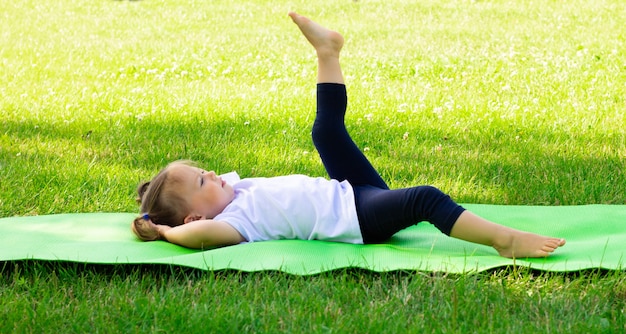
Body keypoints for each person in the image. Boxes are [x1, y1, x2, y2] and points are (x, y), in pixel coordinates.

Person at [131, 12, 566, 258]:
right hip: (359, 219)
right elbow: (196, 237)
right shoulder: (232, 223)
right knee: (426, 198)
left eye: (202, 171)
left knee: (325, 132)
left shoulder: (234, 193)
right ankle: (504, 241)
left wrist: (163, 202)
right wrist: (163, 232)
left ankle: (327, 52)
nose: (211, 173)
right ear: (194, 218)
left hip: (352, 191)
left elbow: (189, 200)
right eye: (203, 181)